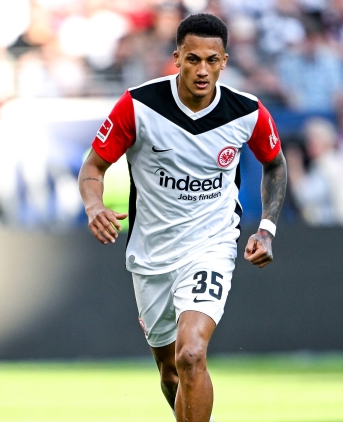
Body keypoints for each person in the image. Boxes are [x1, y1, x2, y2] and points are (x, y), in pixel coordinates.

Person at [78, 14, 287, 422]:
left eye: (212, 60)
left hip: (211, 245)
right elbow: (93, 167)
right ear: (176, 59)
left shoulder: (247, 112)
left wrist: (267, 228)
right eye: (193, 59)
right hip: (151, 255)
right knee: (171, 373)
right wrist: (94, 206)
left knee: (191, 353)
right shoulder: (138, 106)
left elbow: (275, 164)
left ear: (224, 61)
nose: (202, 70)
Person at [286, 117, 343, 225]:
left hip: (335, 226)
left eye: (311, 141)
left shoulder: (324, 165)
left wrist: (294, 164)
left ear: (323, 142)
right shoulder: (339, 160)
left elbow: (305, 196)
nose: (308, 146)